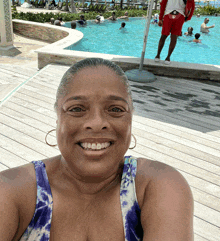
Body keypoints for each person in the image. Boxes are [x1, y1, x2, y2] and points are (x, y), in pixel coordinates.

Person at [0, 58, 194, 240]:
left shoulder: (157, 186)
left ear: (131, 119)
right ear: (58, 118)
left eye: (115, 109)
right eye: (77, 109)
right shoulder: (12, 192)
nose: (96, 123)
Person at [154, 0, 195, 64]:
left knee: (163, 36)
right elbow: (192, 5)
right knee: (174, 38)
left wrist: (160, 18)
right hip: (180, 16)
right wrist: (187, 18)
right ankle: (168, 58)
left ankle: (157, 55)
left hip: (168, 14)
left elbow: (163, 3)